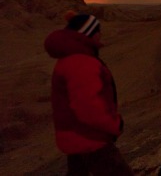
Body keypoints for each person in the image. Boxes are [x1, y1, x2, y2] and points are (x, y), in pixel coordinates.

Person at [44, 11, 133, 175]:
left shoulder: (70, 58)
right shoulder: (82, 62)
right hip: (91, 140)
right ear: (90, 34)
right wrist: (115, 125)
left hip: (76, 138)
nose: (100, 36)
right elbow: (88, 107)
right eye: (98, 32)